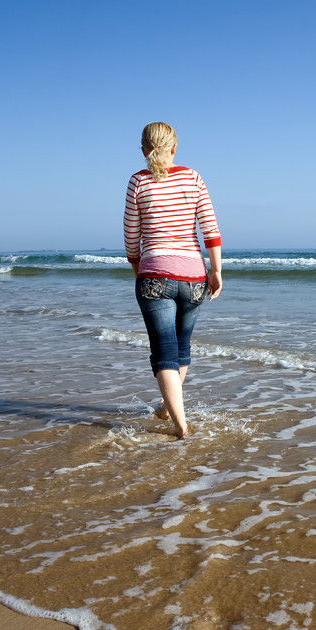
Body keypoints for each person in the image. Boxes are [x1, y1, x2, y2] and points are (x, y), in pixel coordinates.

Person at [124, 122, 222, 437]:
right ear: (174, 148)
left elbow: (131, 237)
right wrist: (216, 271)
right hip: (194, 277)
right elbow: (210, 229)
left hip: (154, 276)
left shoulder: (138, 182)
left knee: (164, 350)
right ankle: (168, 408)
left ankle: (180, 425)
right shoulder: (192, 178)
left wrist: (138, 269)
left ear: (143, 150)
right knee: (182, 346)